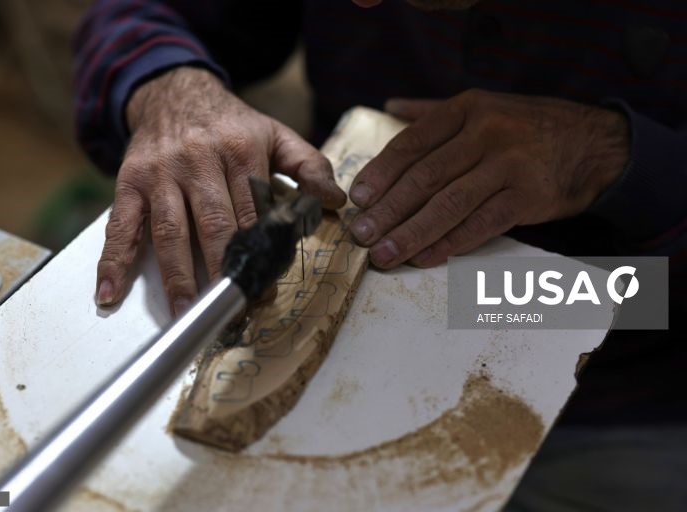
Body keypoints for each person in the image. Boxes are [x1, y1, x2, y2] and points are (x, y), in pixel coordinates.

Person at [73, 1, 686, 509]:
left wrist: (612, 156)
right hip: (376, 323)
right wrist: (169, 86)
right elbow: (130, 16)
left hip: (635, 345)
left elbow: (628, 299)